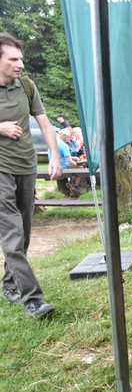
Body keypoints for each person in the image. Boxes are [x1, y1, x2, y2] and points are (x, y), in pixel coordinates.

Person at [0, 32, 61, 318]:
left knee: (23, 233)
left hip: (27, 166)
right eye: (13, 59)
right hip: (0, 169)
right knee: (12, 233)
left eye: (21, 58)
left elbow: (46, 124)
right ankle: (33, 300)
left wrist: (54, 156)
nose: (20, 63)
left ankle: (9, 282)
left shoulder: (26, 85)